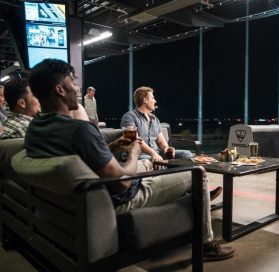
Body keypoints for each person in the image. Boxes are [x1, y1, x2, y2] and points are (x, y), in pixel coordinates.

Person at [26, 59, 234, 261]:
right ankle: (207, 244)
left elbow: (84, 157)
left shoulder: (34, 130)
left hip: (72, 205)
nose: (77, 89)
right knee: (198, 172)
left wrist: (109, 147)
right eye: (72, 83)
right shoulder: (79, 130)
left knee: (165, 162)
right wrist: (134, 151)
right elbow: (122, 184)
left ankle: (196, 199)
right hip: (117, 199)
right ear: (59, 90)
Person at [121, 86, 193, 161]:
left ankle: (171, 169)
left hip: (156, 153)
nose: (155, 101)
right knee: (153, 160)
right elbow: (132, 139)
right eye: (152, 98)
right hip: (137, 155)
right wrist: (153, 153)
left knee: (187, 154)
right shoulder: (129, 117)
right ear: (145, 100)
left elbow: (161, 141)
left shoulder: (155, 119)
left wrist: (167, 148)